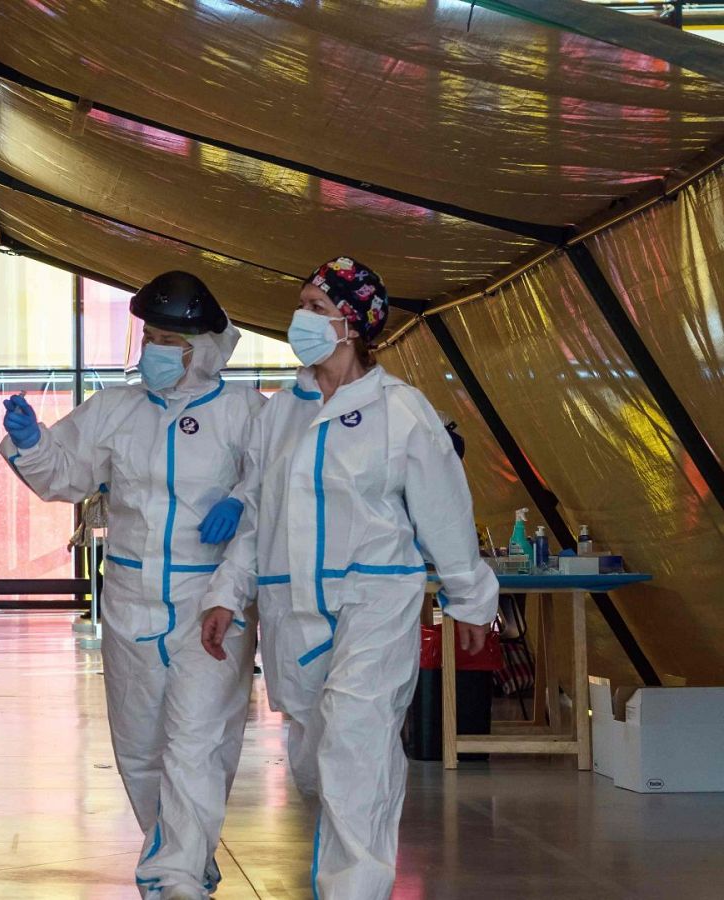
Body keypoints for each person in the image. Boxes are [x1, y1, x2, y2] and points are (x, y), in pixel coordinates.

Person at [200, 257, 499, 900]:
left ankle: (354, 890)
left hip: (373, 601)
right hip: (292, 611)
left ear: (352, 323)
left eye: (316, 305)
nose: (301, 317)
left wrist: (470, 600)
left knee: (356, 748)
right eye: (301, 302)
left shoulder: (402, 412)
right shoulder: (279, 415)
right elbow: (257, 514)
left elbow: (444, 511)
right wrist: (228, 591)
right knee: (314, 758)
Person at [0, 271, 263, 900]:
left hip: (212, 603)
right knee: (140, 748)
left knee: (197, 743)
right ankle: (183, 857)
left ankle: (172, 875)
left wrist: (242, 501)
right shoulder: (115, 409)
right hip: (129, 601)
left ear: (202, 347)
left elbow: (274, 488)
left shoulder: (247, 411)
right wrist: (33, 442)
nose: (153, 349)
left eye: (167, 338)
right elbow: (64, 475)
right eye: (148, 335)